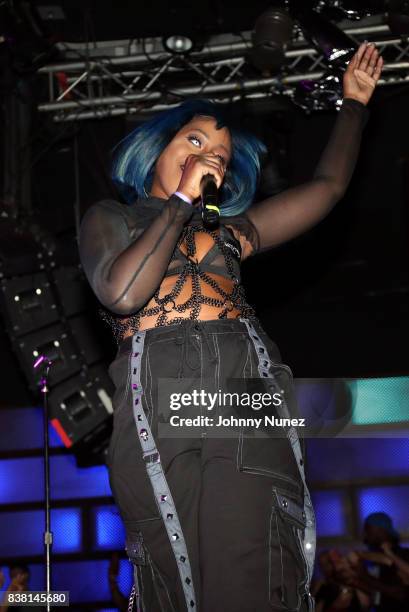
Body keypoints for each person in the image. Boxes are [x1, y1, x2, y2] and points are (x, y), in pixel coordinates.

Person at [79, 42, 382, 612]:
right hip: (156, 387)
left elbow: (328, 188)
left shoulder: (232, 233)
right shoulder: (111, 218)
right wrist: (178, 202)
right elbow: (122, 292)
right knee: (173, 568)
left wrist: (354, 106)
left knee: (255, 555)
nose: (211, 157)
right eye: (195, 142)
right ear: (156, 150)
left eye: (221, 151)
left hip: (243, 381)